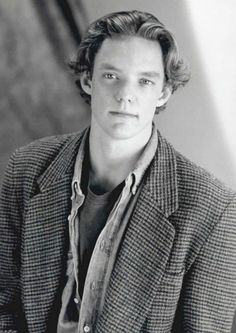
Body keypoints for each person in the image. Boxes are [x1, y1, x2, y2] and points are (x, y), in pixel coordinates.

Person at [0, 10, 236, 333]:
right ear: (87, 79)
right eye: (112, 76)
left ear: (164, 92)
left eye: (145, 81)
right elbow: (3, 307)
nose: (126, 94)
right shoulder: (25, 169)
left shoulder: (213, 209)